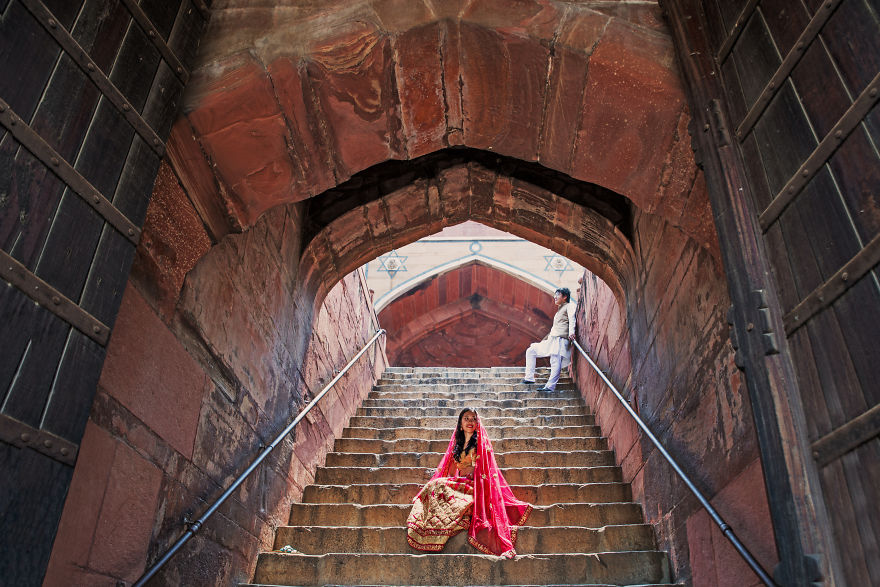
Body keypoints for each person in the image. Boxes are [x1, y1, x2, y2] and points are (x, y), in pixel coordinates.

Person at [406, 408, 532, 558]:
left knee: (439, 486)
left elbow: (486, 470)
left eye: (473, 418)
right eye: (466, 418)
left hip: (477, 485)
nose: (470, 421)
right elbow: (451, 471)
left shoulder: (481, 444)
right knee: (435, 484)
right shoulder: (457, 445)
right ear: (460, 424)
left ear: (477, 423)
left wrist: (473, 475)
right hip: (462, 483)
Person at [521, 287, 575, 391]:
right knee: (531, 351)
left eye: (558, 294)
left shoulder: (569, 306)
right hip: (552, 339)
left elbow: (572, 318)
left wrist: (572, 332)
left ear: (565, 297)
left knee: (555, 361)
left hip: (560, 339)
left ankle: (550, 386)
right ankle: (529, 378)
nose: (555, 297)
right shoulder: (559, 311)